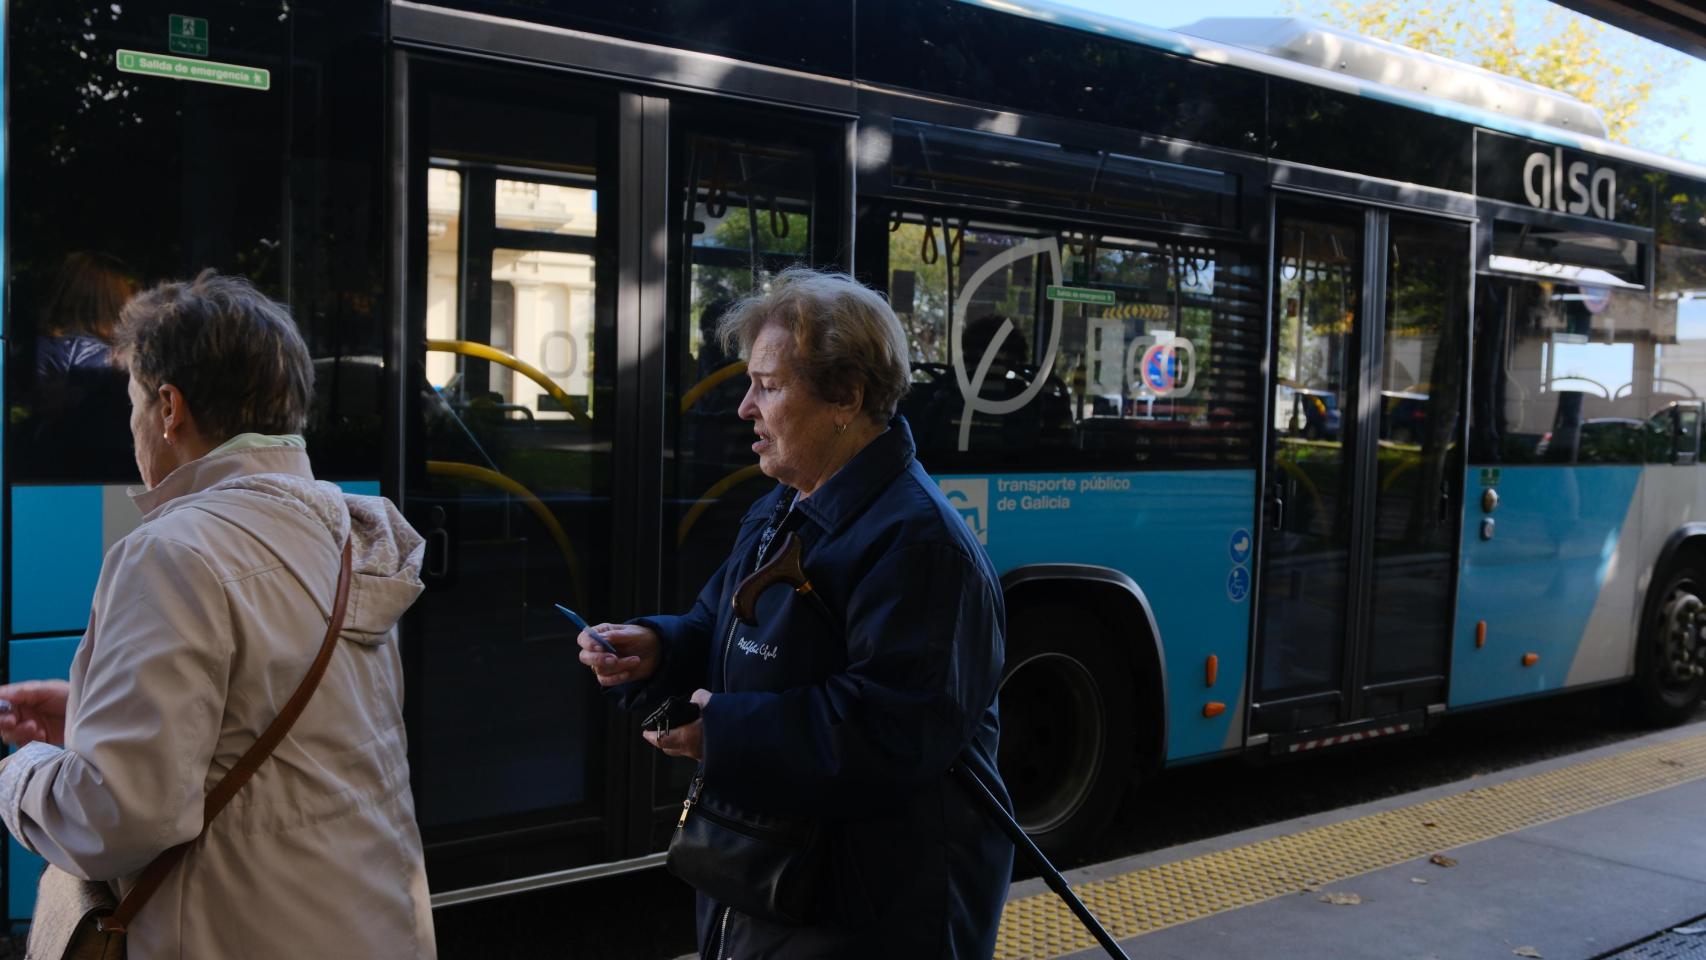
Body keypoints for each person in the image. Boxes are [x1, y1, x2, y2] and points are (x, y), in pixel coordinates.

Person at [580, 267, 1013, 958]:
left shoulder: (921, 544)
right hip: (778, 889)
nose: (745, 407)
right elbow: (719, 632)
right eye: (750, 384)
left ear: (846, 395)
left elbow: (892, 730)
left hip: (871, 913)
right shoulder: (783, 507)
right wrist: (657, 650)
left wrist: (719, 732)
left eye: (769, 387)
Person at [0, 271, 436, 958]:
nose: (134, 425)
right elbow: (279, 733)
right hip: (369, 923)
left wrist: (23, 771)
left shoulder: (172, 552)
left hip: (231, 932)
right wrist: (90, 713)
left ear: (169, 408)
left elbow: (115, 818)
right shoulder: (347, 532)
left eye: (134, 403)